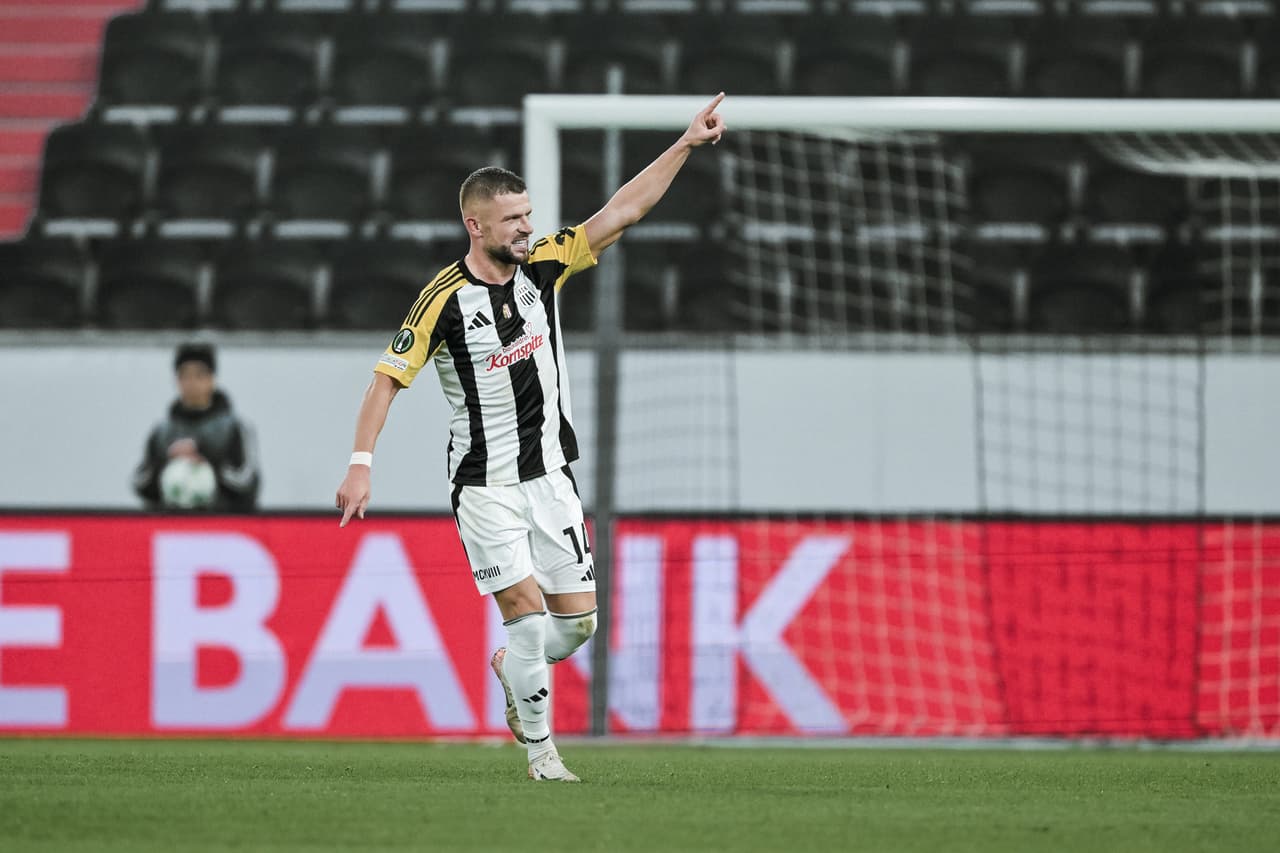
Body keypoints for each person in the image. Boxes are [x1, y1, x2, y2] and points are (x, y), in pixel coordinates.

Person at [335, 93, 727, 781]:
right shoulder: (442, 300)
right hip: (484, 484)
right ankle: (543, 756)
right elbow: (385, 381)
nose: (526, 227)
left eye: (528, 214)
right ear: (475, 224)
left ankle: (513, 670)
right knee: (523, 613)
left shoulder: (543, 265)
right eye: (513, 218)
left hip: (550, 475)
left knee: (577, 625)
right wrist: (361, 463)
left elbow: (621, 212)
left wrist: (686, 144)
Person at [133, 342, 260, 513]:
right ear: (177, 381)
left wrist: (205, 457)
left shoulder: (235, 428)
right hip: (171, 523)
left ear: (212, 379)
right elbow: (139, 483)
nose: (191, 383)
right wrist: (166, 461)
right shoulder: (161, 432)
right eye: (185, 376)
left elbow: (247, 482)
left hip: (221, 522)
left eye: (199, 375)